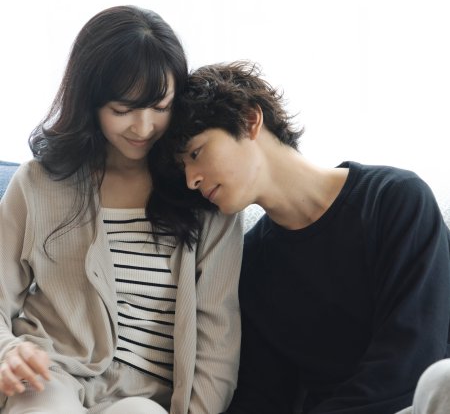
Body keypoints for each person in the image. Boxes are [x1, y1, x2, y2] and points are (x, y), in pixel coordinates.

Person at [164, 60, 450, 414]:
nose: (191, 179)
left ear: (250, 120)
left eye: (196, 153)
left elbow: (413, 361)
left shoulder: (395, 199)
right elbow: (262, 395)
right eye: (184, 168)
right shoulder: (251, 264)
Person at [0, 6, 243, 414]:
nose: (143, 127)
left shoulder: (203, 193)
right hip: (49, 375)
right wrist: (7, 352)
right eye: (122, 110)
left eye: (160, 107)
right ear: (90, 103)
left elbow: (217, 335)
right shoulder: (38, 183)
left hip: (147, 398)